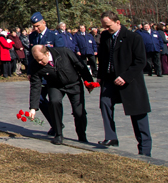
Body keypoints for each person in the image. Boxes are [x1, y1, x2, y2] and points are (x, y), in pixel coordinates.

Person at [97, 11, 152, 157]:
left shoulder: (134, 38)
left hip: (130, 82)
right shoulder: (105, 37)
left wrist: (126, 77)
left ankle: (145, 149)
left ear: (117, 22)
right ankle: (111, 136)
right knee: (104, 103)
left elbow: (140, 61)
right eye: (104, 26)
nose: (106, 29)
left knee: (138, 115)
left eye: (108, 26)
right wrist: (100, 76)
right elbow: (103, 58)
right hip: (110, 79)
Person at [28, 44, 93, 144]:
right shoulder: (35, 65)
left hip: (74, 84)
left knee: (79, 111)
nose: (39, 62)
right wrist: (33, 108)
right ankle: (58, 134)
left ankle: (82, 135)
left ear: (47, 53)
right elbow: (35, 86)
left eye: (41, 59)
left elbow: (80, 65)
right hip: (55, 86)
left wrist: (89, 82)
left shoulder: (64, 52)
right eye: (37, 60)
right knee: (54, 103)